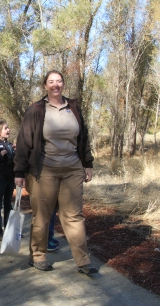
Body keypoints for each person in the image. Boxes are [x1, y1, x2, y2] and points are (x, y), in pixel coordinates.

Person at [14, 70, 97, 274]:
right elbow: (24, 141)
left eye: (59, 81)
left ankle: (83, 261)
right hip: (44, 169)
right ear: (45, 86)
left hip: (72, 169)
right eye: (51, 82)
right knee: (42, 215)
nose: (55, 85)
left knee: (74, 216)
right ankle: (38, 256)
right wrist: (19, 171)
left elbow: (83, 138)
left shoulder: (74, 108)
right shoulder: (36, 109)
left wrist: (88, 163)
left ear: (63, 84)